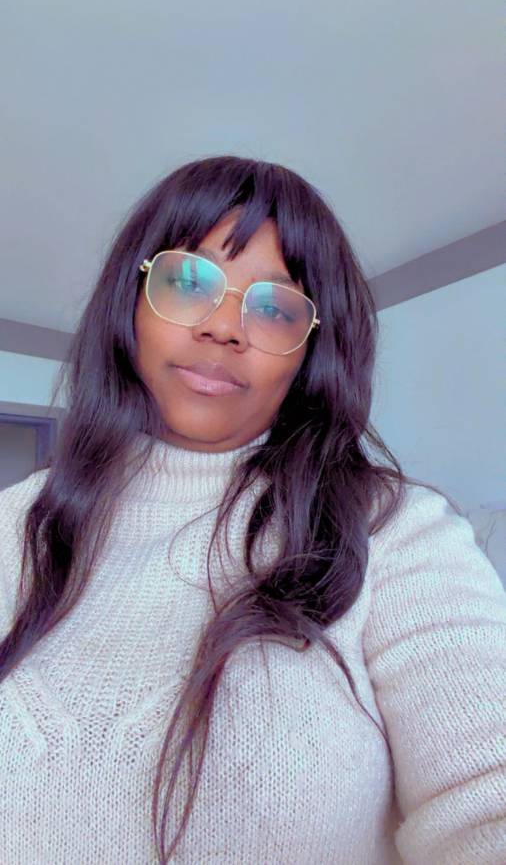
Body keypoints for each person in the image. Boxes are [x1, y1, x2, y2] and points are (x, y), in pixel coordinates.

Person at [0, 155, 505, 864]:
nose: (224, 327)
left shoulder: (394, 530)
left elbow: (488, 794)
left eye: (274, 307)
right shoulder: (15, 523)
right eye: (188, 281)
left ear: (309, 352)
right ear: (131, 299)